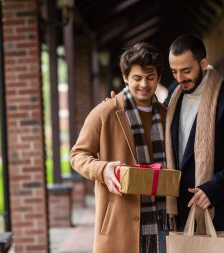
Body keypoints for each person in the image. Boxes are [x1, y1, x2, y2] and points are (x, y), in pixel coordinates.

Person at [70, 42, 172, 253]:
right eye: (137, 78)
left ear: (159, 78)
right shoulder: (105, 112)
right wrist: (103, 168)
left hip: (163, 221)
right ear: (126, 77)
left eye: (150, 77)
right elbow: (77, 155)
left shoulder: (167, 115)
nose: (144, 84)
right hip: (119, 223)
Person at [164, 34, 224, 239]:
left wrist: (212, 189)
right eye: (174, 71)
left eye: (186, 71)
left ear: (203, 63)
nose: (180, 79)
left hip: (217, 209)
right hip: (178, 211)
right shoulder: (173, 95)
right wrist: (119, 104)